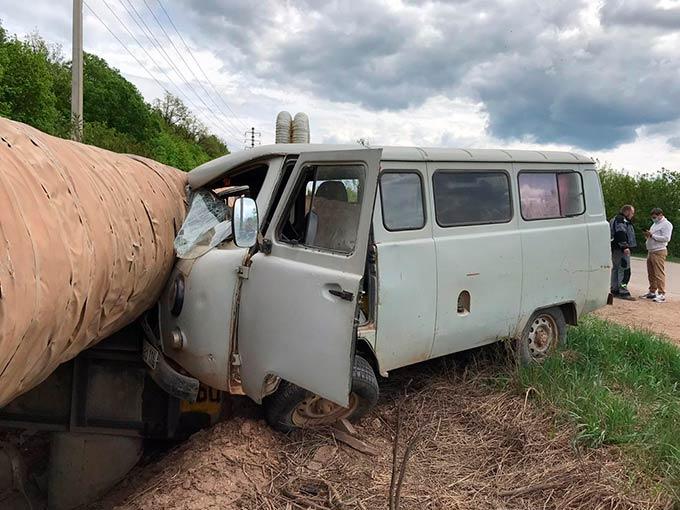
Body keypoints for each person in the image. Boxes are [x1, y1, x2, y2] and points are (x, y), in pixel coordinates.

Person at [641, 208, 673, 303]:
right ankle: (652, 291)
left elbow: (666, 238)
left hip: (659, 251)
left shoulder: (666, 224)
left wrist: (652, 236)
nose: (653, 219)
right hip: (651, 251)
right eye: (652, 217)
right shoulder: (655, 224)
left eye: (655, 217)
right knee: (651, 273)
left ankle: (662, 293)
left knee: (659, 273)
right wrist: (648, 235)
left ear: (660, 215)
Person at [610, 204, 636, 300]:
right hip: (621, 249)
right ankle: (623, 291)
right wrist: (625, 246)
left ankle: (615, 289)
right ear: (627, 212)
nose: (632, 215)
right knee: (625, 270)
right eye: (632, 213)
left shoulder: (614, 219)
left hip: (615, 249)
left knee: (616, 269)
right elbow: (621, 233)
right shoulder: (621, 220)